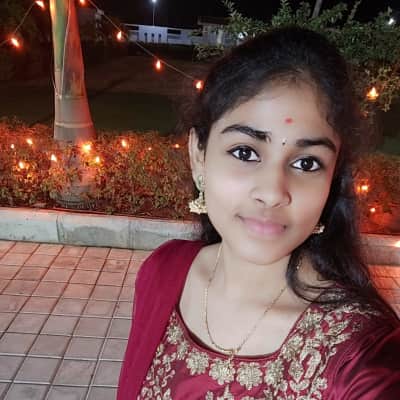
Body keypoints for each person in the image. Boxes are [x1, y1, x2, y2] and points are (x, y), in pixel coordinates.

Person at [117, 26, 400, 399]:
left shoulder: (363, 362)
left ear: (332, 180)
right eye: (245, 152)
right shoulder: (163, 273)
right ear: (198, 155)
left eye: (307, 163)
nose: (272, 193)